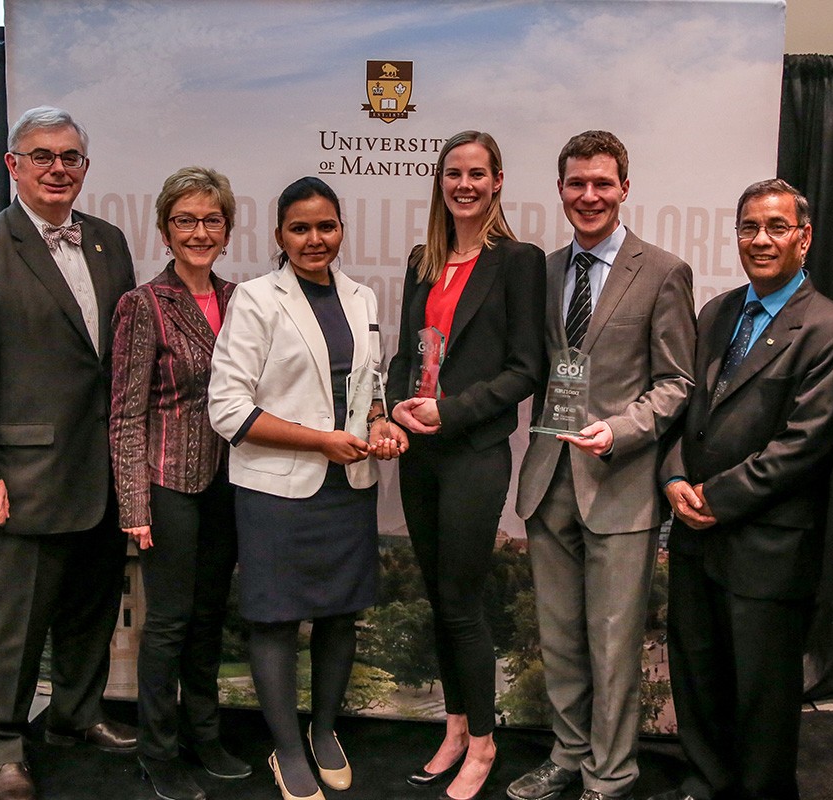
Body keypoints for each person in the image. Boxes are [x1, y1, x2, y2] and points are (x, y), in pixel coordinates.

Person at [0, 106, 137, 800]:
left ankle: (75, 716)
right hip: (16, 483)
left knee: (89, 613)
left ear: (85, 167)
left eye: (70, 156)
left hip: (98, 474)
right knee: (10, 632)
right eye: (41, 155)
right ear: (13, 165)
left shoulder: (108, 243)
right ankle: (0, 745)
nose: (57, 168)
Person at [654, 179, 833, 800]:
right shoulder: (717, 313)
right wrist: (671, 476)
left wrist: (712, 500)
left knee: (763, 699)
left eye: (776, 227)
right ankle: (704, 782)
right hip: (696, 539)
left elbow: (803, 446)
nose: (761, 239)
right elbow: (683, 408)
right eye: (749, 227)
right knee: (698, 678)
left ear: (805, 237)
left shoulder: (832, 330)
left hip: (768, 550)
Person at [507, 130, 696, 800]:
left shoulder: (664, 271)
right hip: (546, 479)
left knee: (614, 648)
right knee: (558, 639)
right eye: (576, 183)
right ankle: (567, 755)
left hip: (620, 485)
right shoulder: (545, 269)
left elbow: (678, 383)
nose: (589, 196)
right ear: (560, 189)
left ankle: (610, 777)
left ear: (624, 187)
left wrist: (619, 430)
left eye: (602, 183)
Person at [208, 176, 405, 800]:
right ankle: (287, 749)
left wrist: (380, 419)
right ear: (278, 236)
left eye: (326, 226)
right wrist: (319, 441)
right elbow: (227, 409)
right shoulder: (257, 300)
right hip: (277, 490)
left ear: (342, 229)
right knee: (274, 620)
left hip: (349, 484)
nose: (314, 239)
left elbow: (369, 384)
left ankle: (324, 731)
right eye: (300, 228)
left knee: (340, 615)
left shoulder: (362, 297)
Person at [386, 131, 546, 800]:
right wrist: (395, 405)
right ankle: (454, 725)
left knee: (462, 600)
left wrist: (449, 412)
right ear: (440, 181)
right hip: (419, 454)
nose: (465, 185)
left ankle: (483, 741)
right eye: (454, 173)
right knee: (438, 597)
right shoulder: (425, 259)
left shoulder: (519, 261)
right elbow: (402, 355)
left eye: (477, 173)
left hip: (473, 450)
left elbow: (525, 370)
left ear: (498, 180)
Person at [109, 166, 249, 800]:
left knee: (210, 617)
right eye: (185, 220)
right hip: (169, 483)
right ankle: (158, 751)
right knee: (168, 621)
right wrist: (135, 506)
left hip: (232, 484)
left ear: (227, 228)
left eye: (211, 219)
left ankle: (205, 735)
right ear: (165, 229)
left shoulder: (242, 297)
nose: (199, 231)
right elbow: (125, 415)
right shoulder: (143, 305)